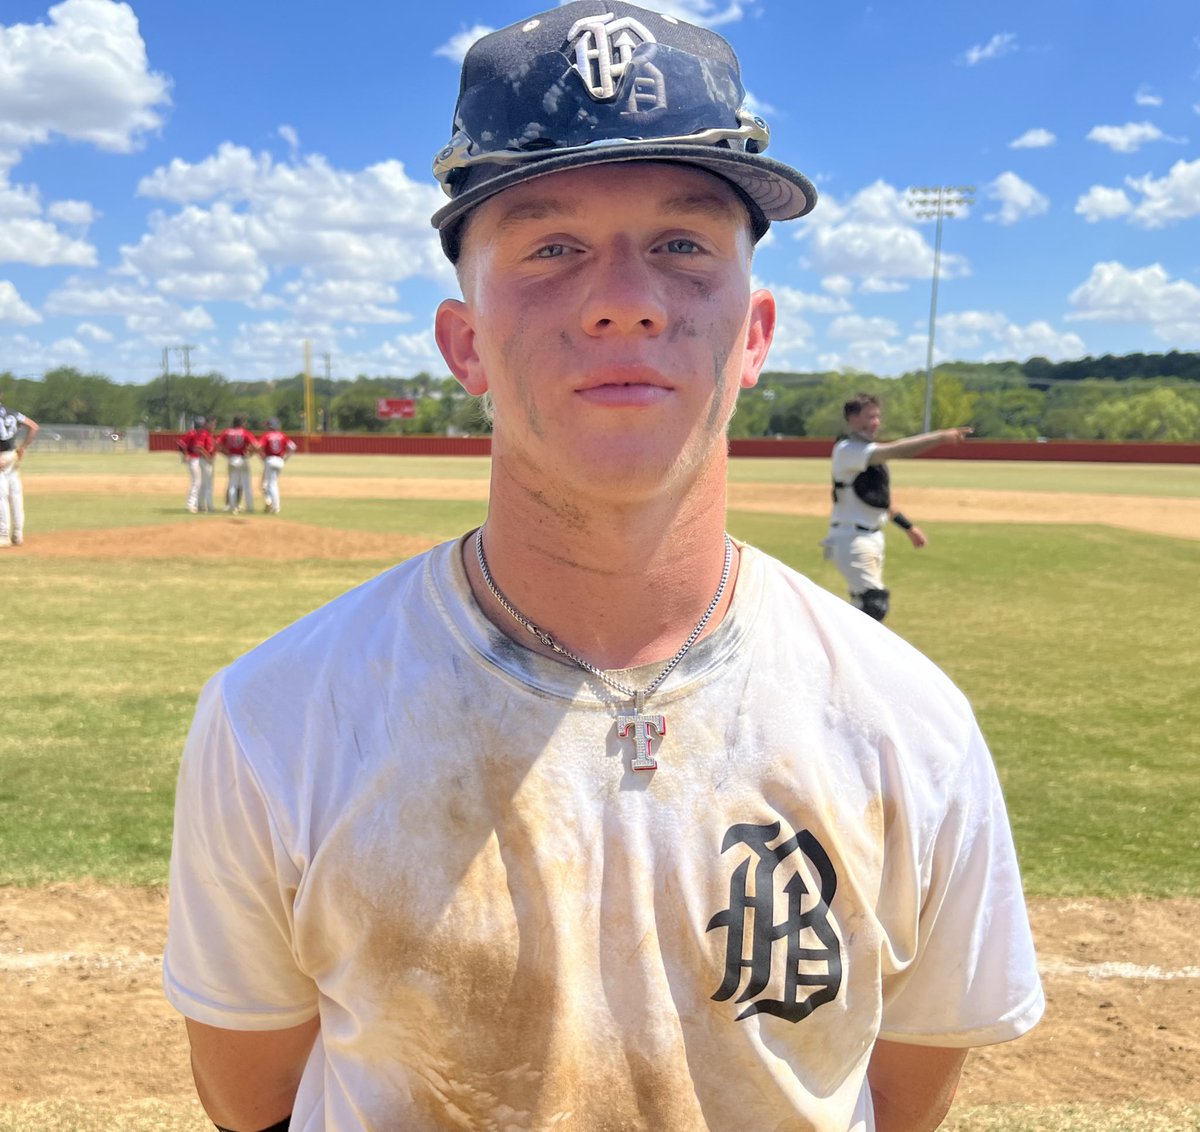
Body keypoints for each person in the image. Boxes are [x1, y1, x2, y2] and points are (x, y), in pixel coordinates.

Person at [163, 5, 1044, 1131]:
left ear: (756, 332)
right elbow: (256, 1097)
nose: (624, 297)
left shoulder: (909, 725)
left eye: (683, 244)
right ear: (465, 342)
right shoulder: (275, 717)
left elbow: (903, 1091)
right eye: (550, 246)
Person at [824, 394, 971, 622]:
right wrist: (940, 437)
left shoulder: (865, 452)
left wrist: (908, 527)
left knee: (861, 604)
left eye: (878, 417)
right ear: (852, 418)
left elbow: (880, 501)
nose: (876, 422)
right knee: (874, 604)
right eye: (870, 416)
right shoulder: (848, 449)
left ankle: (839, 649)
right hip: (851, 539)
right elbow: (895, 450)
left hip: (870, 537)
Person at [0, 402, 38, 548]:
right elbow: (33, 426)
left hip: (2, 457)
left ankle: (3, 535)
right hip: (13, 455)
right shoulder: (12, 412)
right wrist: (23, 447)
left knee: (1, 496)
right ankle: (18, 534)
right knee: (15, 494)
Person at [215, 416, 258, 514]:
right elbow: (256, 446)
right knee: (246, 485)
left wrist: (225, 453)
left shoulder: (227, 432)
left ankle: (232, 507)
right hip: (242, 458)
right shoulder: (245, 433)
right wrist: (251, 454)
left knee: (232, 484)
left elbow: (217, 445)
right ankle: (250, 507)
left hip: (232, 458)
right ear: (242, 423)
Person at [177, 416, 217, 514]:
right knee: (197, 482)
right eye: (202, 424)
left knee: (200, 482)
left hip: (198, 459)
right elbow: (181, 444)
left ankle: (198, 505)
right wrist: (185, 454)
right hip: (193, 459)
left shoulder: (203, 433)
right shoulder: (192, 433)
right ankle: (190, 505)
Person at [257, 417, 297, 514]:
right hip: (279, 460)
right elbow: (293, 447)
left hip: (270, 460)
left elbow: (258, 446)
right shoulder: (282, 435)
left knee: (271, 484)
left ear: (270, 426)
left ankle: (275, 507)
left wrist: (261, 456)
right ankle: (269, 501)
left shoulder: (266, 435)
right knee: (267, 484)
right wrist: (285, 458)